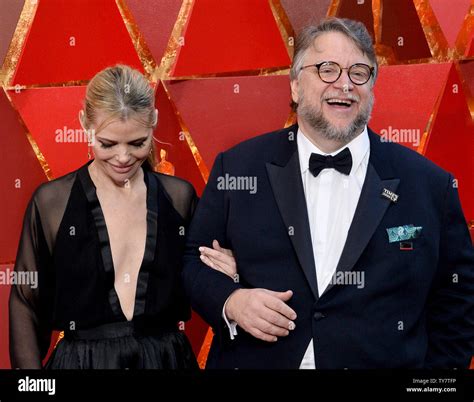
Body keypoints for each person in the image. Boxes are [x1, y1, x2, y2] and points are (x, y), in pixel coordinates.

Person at [184, 17, 474, 369]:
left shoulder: (429, 186)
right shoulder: (238, 168)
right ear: (294, 86)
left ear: (372, 86)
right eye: (327, 69)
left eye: (359, 73)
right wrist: (231, 301)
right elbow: (191, 263)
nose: (344, 85)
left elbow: (457, 301)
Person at [9, 64, 233, 369]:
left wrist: (231, 274)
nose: (124, 157)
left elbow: (205, 282)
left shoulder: (179, 198)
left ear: (153, 122)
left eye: (138, 143)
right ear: (84, 124)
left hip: (166, 363)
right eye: (108, 144)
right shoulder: (52, 203)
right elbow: (26, 302)